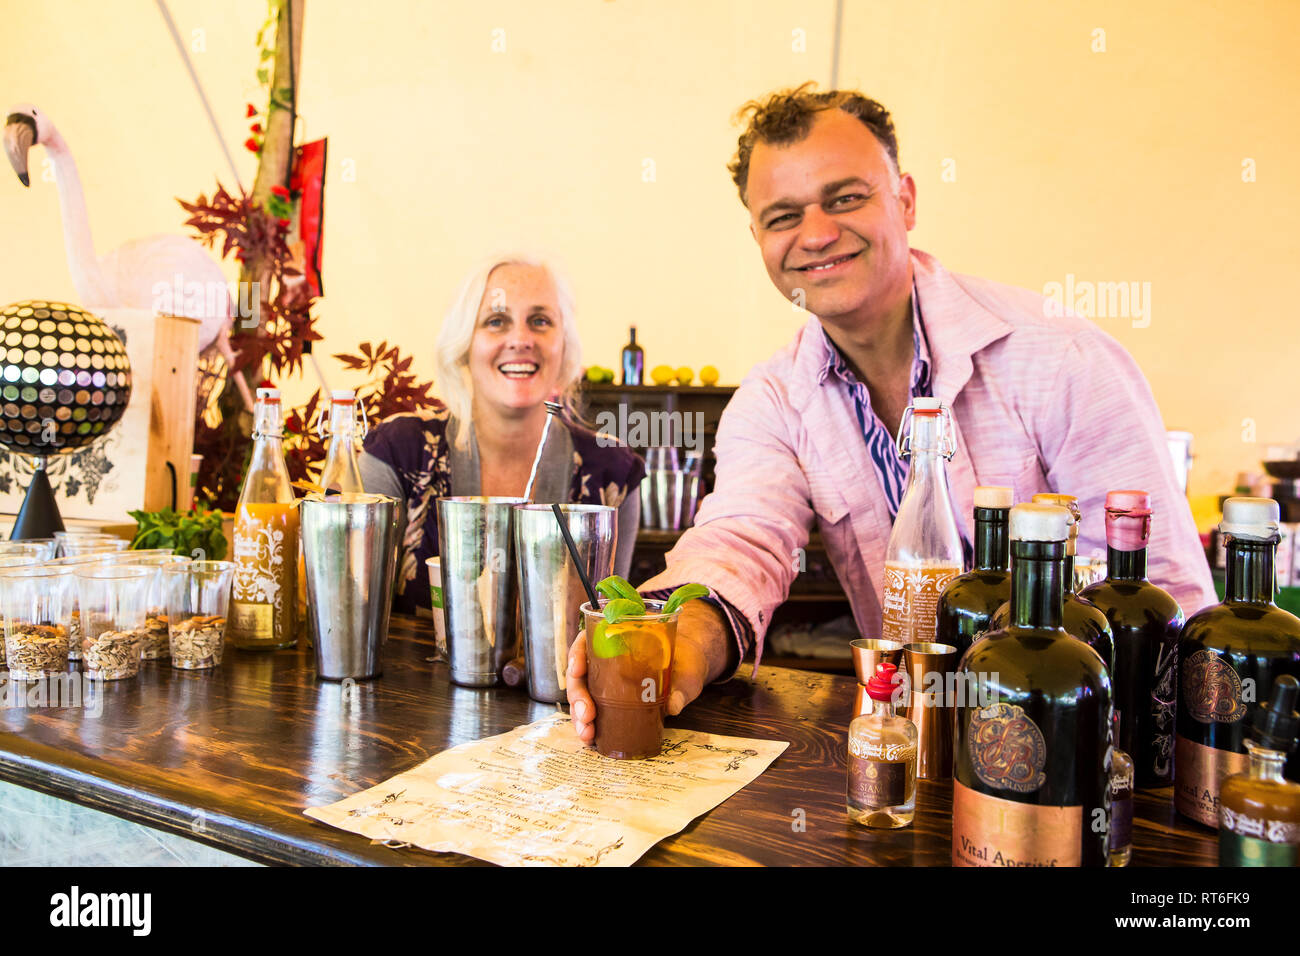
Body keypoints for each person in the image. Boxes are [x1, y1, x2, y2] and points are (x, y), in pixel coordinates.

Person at [566, 84, 1216, 744]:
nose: (817, 234)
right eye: (784, 215)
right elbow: (741, 541)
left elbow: (1163, 602)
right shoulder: (772, 401)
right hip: (914, 753)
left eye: (846, 198)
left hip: (1086, 757)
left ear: (905, 200)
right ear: (757, 236)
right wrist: (667, 641)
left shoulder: (1061, 359)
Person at [360, 254, 644, 613]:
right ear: (464, 344)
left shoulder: (613, 471)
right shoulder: (398, 453)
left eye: (540, 321)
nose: (521, 339)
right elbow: (350, 610)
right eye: (497, 321)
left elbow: (607, 631)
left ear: (565, 345)